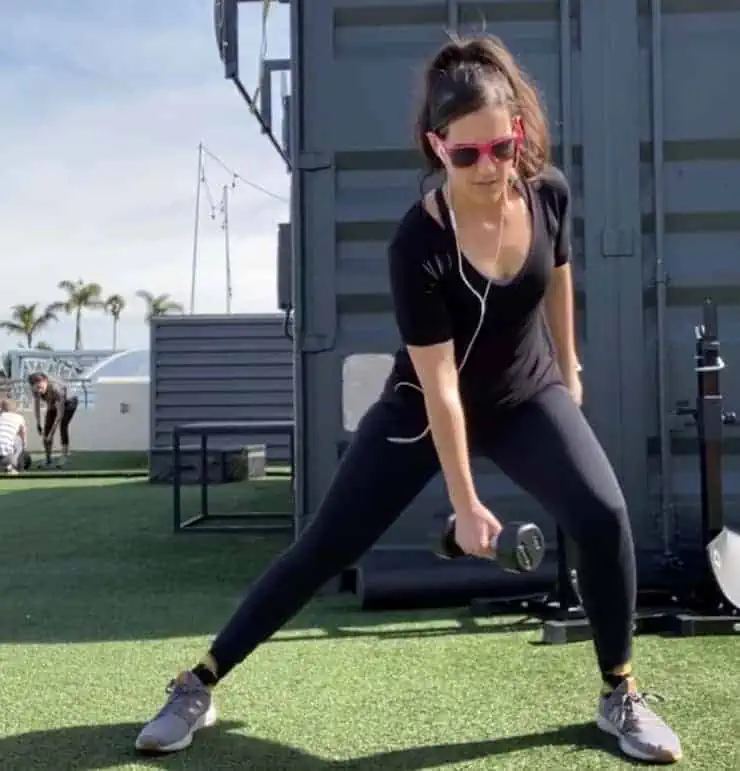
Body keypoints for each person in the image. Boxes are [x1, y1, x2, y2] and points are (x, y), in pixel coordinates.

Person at [135, 34, 682, 764]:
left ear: (518, 130)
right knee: (327, 546)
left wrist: (571, 366)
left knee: (603, 514)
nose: (489, 167)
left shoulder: (546, 188)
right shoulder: (416, 244)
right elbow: (443, 387)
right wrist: (464, 499)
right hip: (422, 408)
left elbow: (557, 271)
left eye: (502, 147)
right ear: (437, 146)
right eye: (466, 155)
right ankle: (197, 682)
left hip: (526, 394)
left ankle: (620, 691)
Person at [28, 372, 78, 468]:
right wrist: (38, 423)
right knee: (46, 429)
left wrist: (51, 433)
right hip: (52, 403)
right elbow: (37, 406)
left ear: (45, 381)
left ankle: (64, 456)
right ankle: (48, 459)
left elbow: (59, 414)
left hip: (69, 402)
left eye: (41, 387)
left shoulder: (56, 389)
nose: (39, 390)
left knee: (63, 425)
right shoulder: (35, 391)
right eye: (36, 388)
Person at [0, 398, 27, 474]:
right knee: (19, 440)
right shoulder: (19, 418)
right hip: (6, 458)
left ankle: (7, 466)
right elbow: (23, 433)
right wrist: (24, 444)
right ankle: (15, 466)